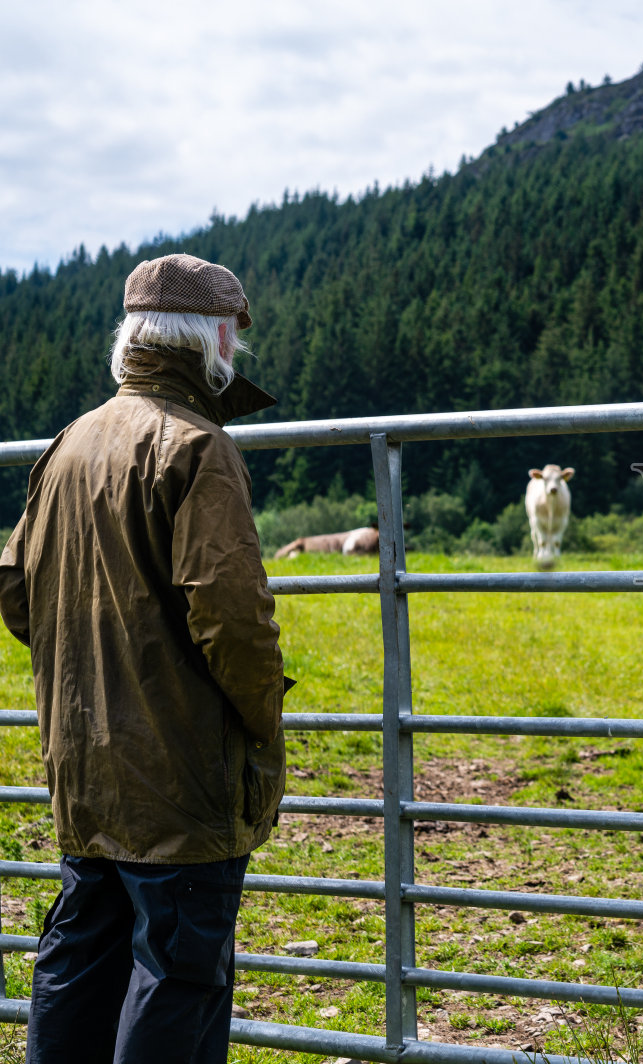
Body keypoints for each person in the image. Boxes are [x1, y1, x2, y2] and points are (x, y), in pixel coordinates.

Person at [0, 253, 288, 1063]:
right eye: (234, 330)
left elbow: (17, 590)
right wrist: (263, 727)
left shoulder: (69, 445)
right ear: (211, 339)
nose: (238, 346)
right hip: (180, 776)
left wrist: (92, 671)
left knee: (78, 962)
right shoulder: (198, 448)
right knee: (177, 975)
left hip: (85, 767)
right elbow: (233, 625)